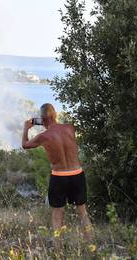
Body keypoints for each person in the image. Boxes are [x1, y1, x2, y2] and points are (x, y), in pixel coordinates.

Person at [21, 103, 92, 247]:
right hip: (77, 174)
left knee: (57, 215)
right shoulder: (70, 128)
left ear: (42, 118)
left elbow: (25, 145)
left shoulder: (43, 136)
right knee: (83, 212)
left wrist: (26, 128)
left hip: (59, 177)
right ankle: (91, 247)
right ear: (55, 114)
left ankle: (57, 250)